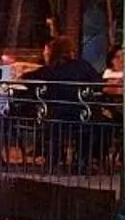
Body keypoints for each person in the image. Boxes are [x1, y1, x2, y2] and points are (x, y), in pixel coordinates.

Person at [28, 35, 104, 171]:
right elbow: (98, 83)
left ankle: (54, 160)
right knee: (95, 123)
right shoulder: (82, 66)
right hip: (81, 113)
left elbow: (29, 78)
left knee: (54, 126)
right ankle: (83, 161)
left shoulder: (52, 69)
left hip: (57, 114)